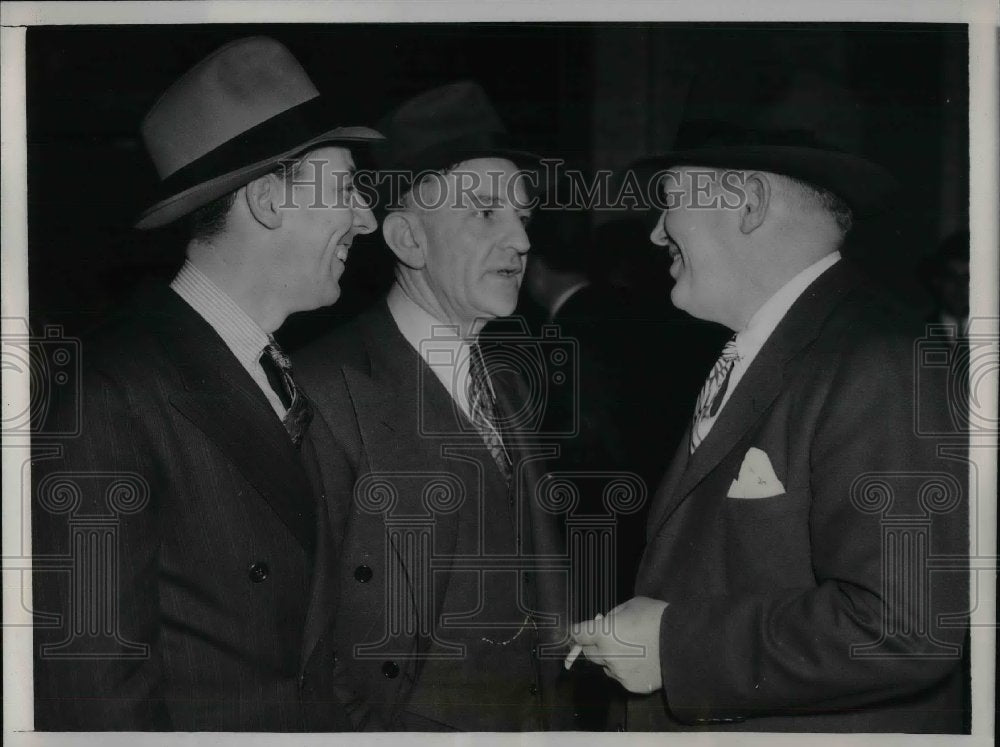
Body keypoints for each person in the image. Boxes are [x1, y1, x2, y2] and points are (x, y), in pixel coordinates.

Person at [569, 77, 969, 733]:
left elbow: (903, 628)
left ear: (746, 204)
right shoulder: (773, 345)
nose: (655, 234)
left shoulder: (879, 361)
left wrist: (673, 643)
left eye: (669, 201)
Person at [32, 36, 381, 730]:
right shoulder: (112, 397)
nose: (367, 217)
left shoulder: (270, 369)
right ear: (266, 202)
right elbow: (93, 696)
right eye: (345, 188)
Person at [296, 81, 574, 731]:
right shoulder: (323, 390)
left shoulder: (504, 381)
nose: (520, 240)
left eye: (522, 216)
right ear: (408, 240)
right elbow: (302, 646)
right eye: (484, 214)